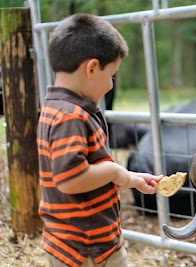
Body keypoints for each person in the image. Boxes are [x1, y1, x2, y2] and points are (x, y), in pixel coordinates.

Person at [36, 13, 163, 267]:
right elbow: (70, 179)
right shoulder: (69, 117)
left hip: (77, 244)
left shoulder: (58, 108)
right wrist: (115, 170)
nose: (110, 85)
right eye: (112, 75)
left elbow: (91, 170)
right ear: (92, 68)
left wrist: (131, 178)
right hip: (87, 250)